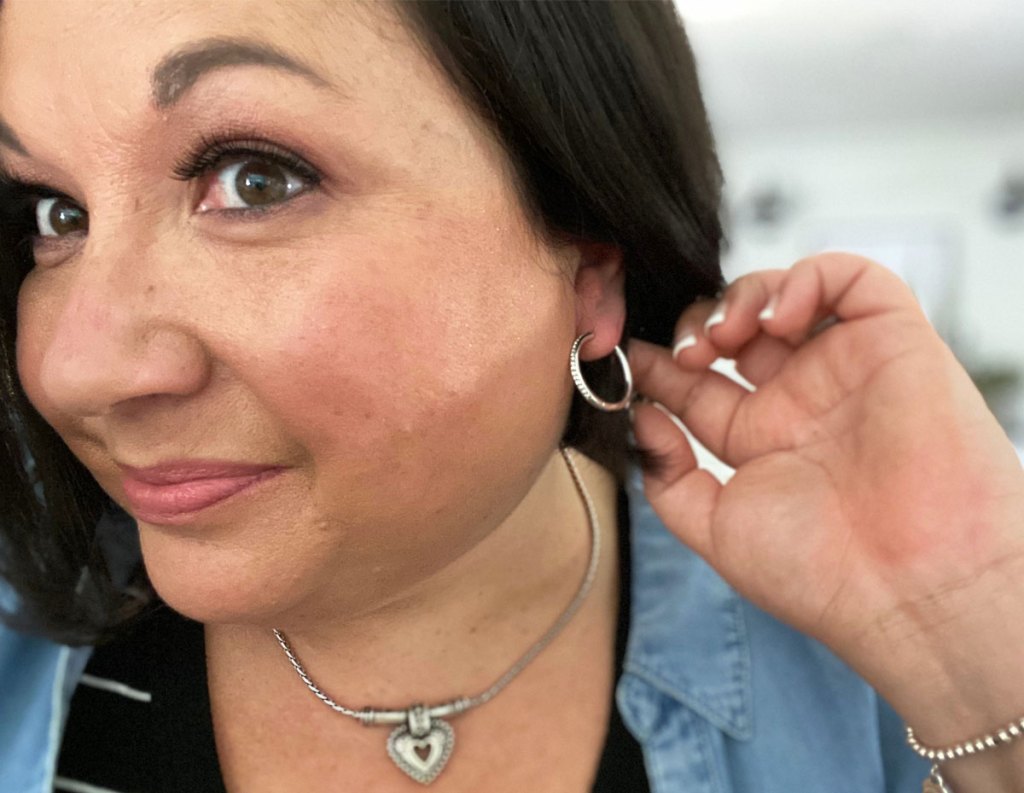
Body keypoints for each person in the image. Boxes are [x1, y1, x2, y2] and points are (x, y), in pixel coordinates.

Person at [1, 1, 1022, 791]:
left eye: (252, 179)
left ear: (589, 275)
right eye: (55, 212)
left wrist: (977, 653)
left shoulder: (857, 668)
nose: (73, 370)